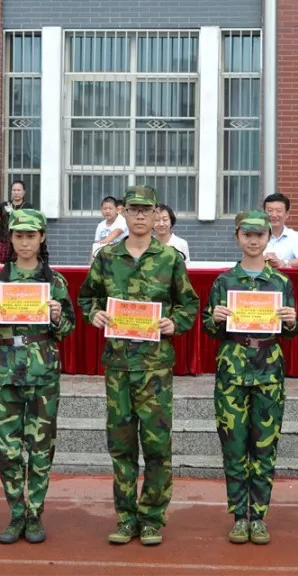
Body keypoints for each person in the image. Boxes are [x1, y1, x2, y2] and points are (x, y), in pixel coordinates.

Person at [77, 185, 199, 547]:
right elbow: (87, 297)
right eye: (134, 209)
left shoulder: (170, 258)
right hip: (118, 365)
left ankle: (152, 518)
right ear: (124, 214)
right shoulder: (107, 256)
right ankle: (126, 516)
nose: (141, 216)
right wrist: (94, 313)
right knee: (121, 443)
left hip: (155, 367)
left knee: (158, 444)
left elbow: (189, 304)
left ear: (155, 214)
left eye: (147, 210)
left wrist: (175, 322)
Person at [0, 209, 75, 545]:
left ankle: (34, 514)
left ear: (41, 238)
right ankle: (15, 514)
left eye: (30, 235)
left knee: (41, 449)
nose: (24, 242)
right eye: (18, 236)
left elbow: (68, 330)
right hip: (6, 373)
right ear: (11, 239)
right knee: (8, 450)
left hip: (43, 373)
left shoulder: (55, 281)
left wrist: (56, 317)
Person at [202, 210, 297, 546]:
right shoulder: (224, 282)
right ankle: (238, 516)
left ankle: (258, 517)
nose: (254, 241)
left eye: (260, 235)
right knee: (234, 447)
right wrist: (214, 317)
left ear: (269, 238)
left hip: (269, 371)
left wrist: (290, 321)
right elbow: (208, 328)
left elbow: (291, 332)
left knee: (265, 446)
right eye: (247, 235)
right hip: (232, 370)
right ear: (237, 237)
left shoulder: (282, 283)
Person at [263, 193, 298, 269]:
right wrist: (262, 260)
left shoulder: (296, 237)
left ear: (287, 214)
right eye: (270, 210)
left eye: (279, 211)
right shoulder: (255, 235)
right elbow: (246, 260)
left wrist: (283, 263)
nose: (274, 215)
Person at [91, 196, 128, 261]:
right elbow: (96, 245)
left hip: (122, 258)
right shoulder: (100, 225)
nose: (107, 211)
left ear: (116, 210)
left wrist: (104, 242)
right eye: (105, 209)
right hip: (106, 258)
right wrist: (91, 262)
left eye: (110, 208)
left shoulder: (122, 220)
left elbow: (117, 231)